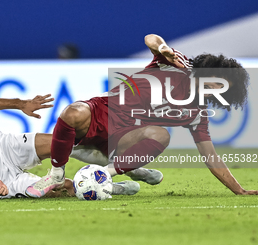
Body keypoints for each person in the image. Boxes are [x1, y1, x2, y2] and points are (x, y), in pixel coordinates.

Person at [27, 34, 258, 198]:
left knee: (160, 135)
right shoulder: (178, 63)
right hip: (102, 112)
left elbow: (211, 157)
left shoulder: (196, 114)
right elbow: (151, 38)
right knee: (72, 113)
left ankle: (105, 174)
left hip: (123, 138)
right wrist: (163, 48)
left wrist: (239, 189)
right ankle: (57, 174)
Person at [0, 95, 152, 200]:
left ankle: (130, 167)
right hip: (2, 180)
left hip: (3, 147)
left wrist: (20, 104)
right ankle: (111, 188)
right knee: (62, 187)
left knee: (63, 144)